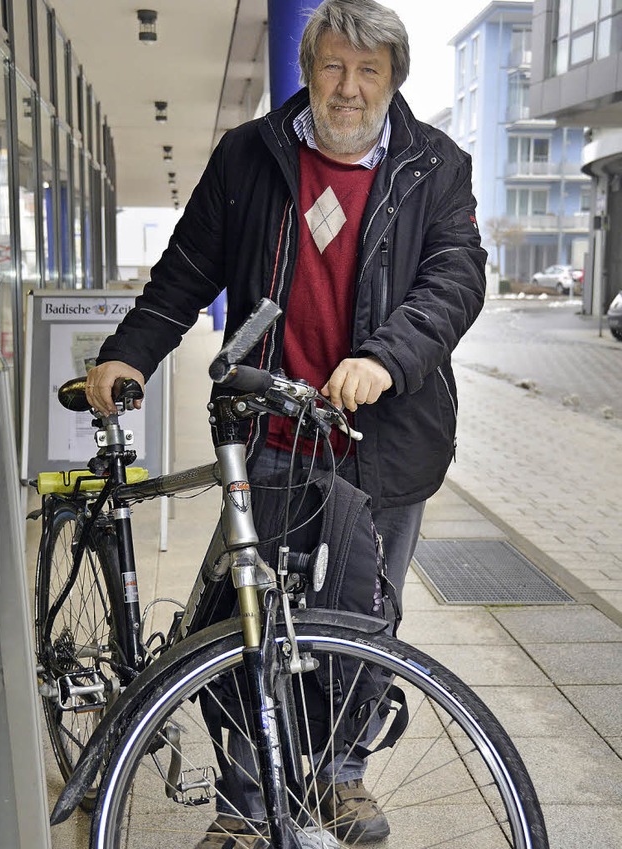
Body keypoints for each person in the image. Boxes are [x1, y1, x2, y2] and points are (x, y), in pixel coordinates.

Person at [86, 0, 486, 844]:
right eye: (334, 67)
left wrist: (384, 356)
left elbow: (454, 279)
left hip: (385, 436)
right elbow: (186, 270)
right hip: (270, 429)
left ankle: (341, 777)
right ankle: (244, 803)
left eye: (368, 72)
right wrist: (130, 352)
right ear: (309, 72)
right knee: (250, 621)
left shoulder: (435, 165)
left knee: (364, 614)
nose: (349, 88)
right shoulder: (249, 157)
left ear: (393, 81)